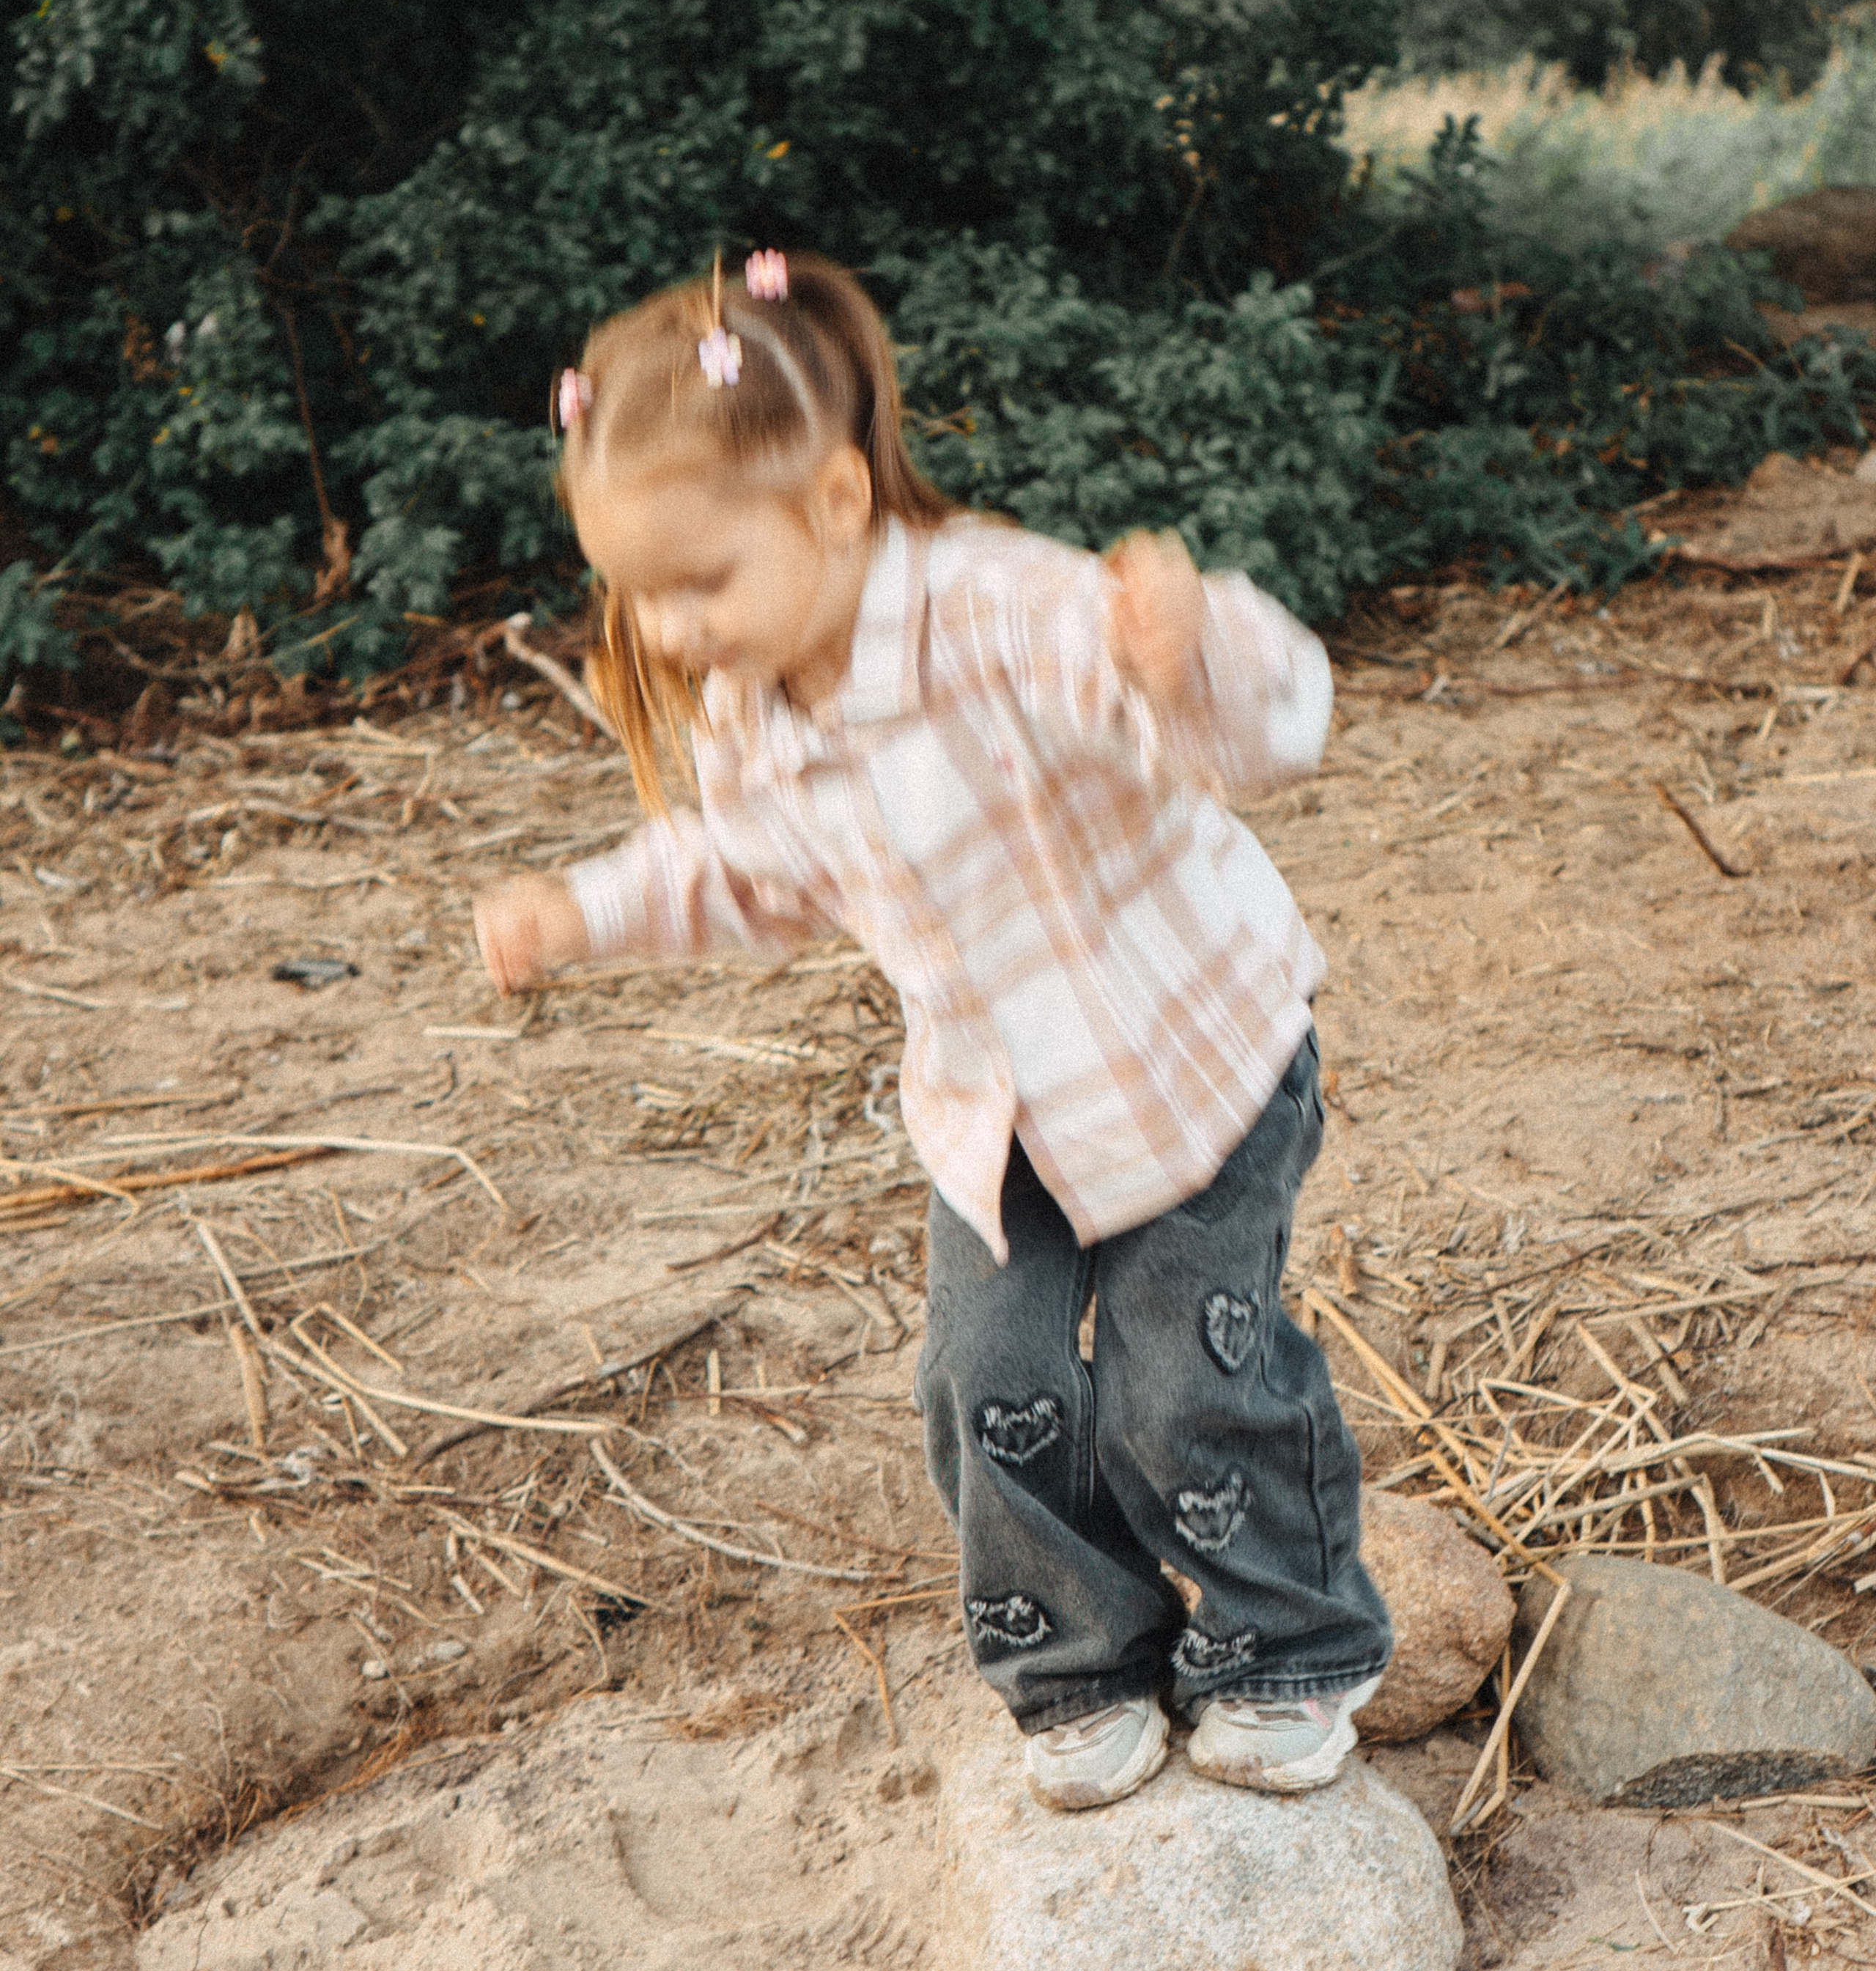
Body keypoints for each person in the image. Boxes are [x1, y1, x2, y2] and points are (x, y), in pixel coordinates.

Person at [473, 250, 1391, 1813]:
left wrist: (1193, 650)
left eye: (700, 580)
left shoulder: (1001, 612)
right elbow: (750, 878)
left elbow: (1260, 725)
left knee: (1184, 1370)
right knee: (984, 1377)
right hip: (998, 1103)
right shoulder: (753, 710)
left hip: (1189, 1053)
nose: (669, 628)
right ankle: (1075, 1667)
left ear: (834, 502)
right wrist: (587, 913)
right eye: (636, 589)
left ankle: (1287, 1648)